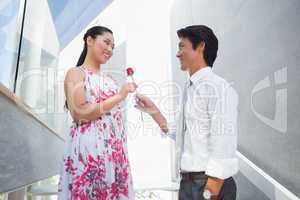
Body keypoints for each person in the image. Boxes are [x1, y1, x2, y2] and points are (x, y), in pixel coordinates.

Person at [136, 25, 239, 200]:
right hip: (189, 184)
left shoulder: (218, 88)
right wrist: (152, 110)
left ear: (201, 47)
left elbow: (223, 143)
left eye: (182, 46)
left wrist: (210, 192)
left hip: (208, 185)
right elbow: (181, 133)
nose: (177, 53)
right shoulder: (190, 89)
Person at [58, 26, 136, 199]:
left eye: (113, 46)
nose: (110, 49)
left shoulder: (111, 81)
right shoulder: (76, 73)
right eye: (106, 42)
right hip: (89, 157)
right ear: (90, 40)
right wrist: (119, 96)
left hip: (114, 157)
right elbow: (80, 113)